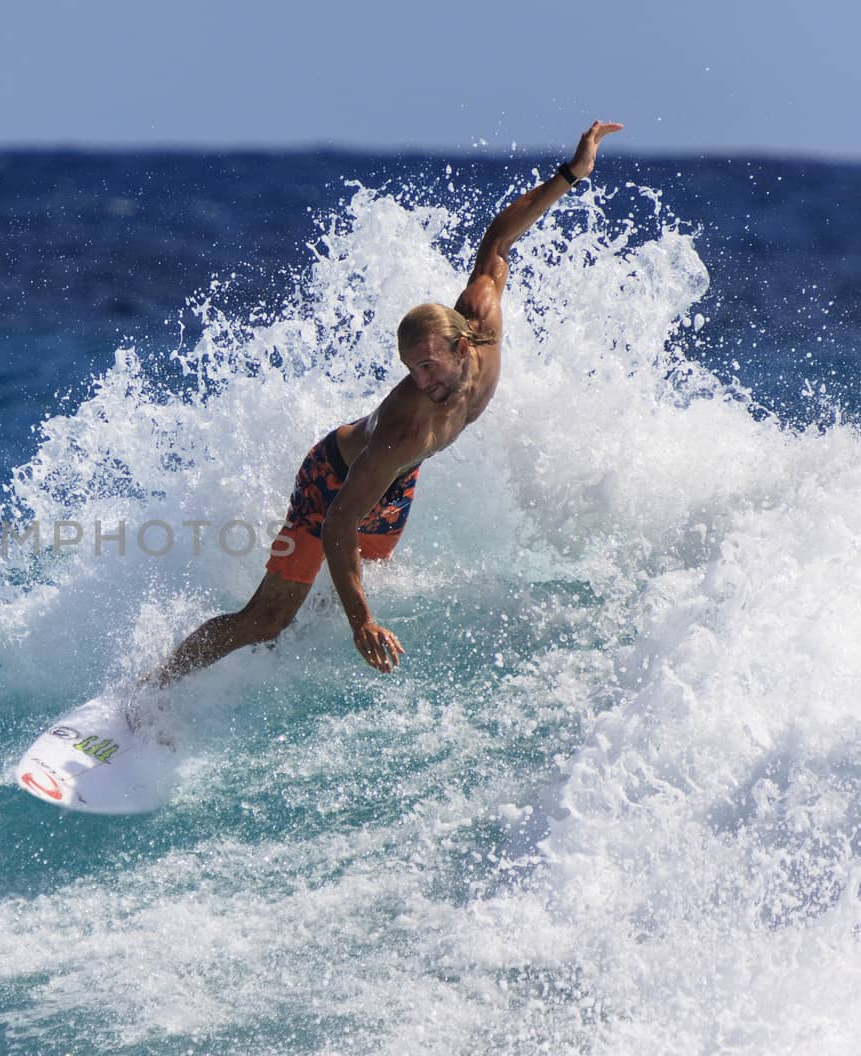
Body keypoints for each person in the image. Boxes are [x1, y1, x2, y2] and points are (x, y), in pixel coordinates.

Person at [146, 121, 624, 683]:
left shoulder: (483, 311)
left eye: (430, 365)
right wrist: (364, 624)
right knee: (268, 619)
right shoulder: (406, 425)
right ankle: (153, 687)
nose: (423, 380)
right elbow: (338, 521)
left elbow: (498, 239)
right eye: (412, 371)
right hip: (333, 480)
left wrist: (573, 173)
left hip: (398, 481)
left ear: (462, 342)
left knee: (338, 589)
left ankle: (299, 622)